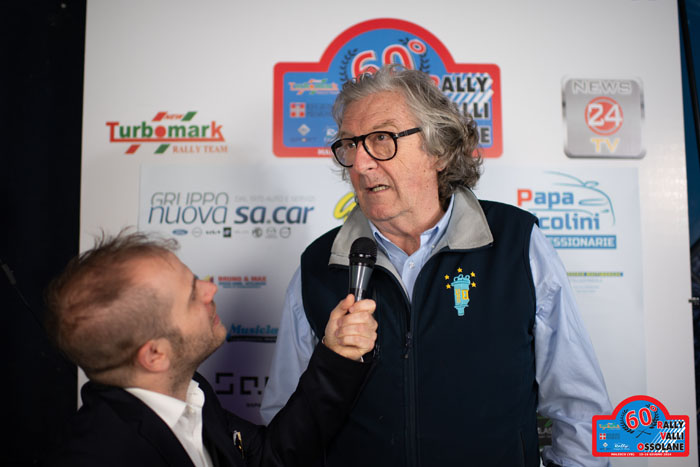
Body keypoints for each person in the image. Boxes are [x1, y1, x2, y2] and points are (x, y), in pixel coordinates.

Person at [260, 65, 612, 467]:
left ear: (439, 150)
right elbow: (285, 427)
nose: (359, 164)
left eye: (381, 139)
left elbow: (580, 408)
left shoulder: (516, 243)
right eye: (350, 145)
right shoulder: (318, 267)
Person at [44, 231, 377, 467]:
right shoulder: (103, 455)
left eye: (195, 279)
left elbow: (271, 458)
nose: (211, 289)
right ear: (155, 355)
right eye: (192, 295)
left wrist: (336, 355)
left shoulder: (191, 396)